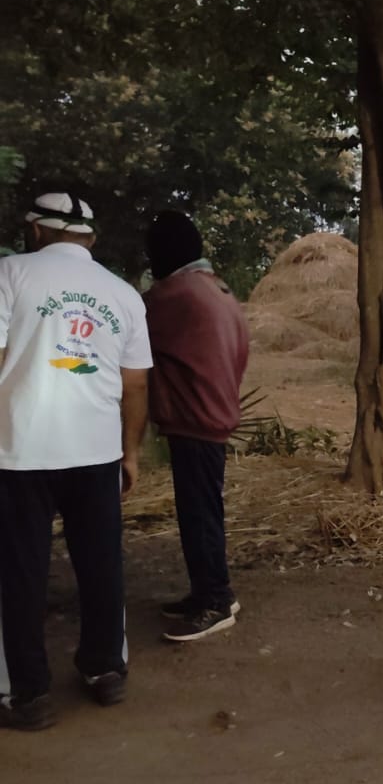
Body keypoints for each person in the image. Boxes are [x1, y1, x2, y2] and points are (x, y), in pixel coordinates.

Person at [0, 193, 152, 731]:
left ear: (36, 231)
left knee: (20, 571)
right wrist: (130, 453)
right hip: (96, 453)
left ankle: (27, 694)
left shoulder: (10, 274)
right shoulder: (123, 293)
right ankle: (105, 668)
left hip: (20, 452)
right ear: (90, 239)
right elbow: (136, 385)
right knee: (100, 562)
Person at [143, 210, 250, 642]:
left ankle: (214, 601)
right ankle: (211, 589)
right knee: (206, 509)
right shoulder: (217, 288)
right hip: (212, 412)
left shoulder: (174, 294)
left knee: (198, 514)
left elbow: (127, 321)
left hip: (194, 419)